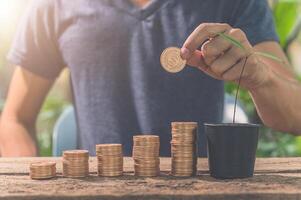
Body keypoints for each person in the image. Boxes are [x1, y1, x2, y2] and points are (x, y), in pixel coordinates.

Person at [0, 0, 301, 157]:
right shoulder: (53, 5)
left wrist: (261, 79)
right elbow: (14, 119)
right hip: (97, 189)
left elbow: (295, 116)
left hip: (200, 191)